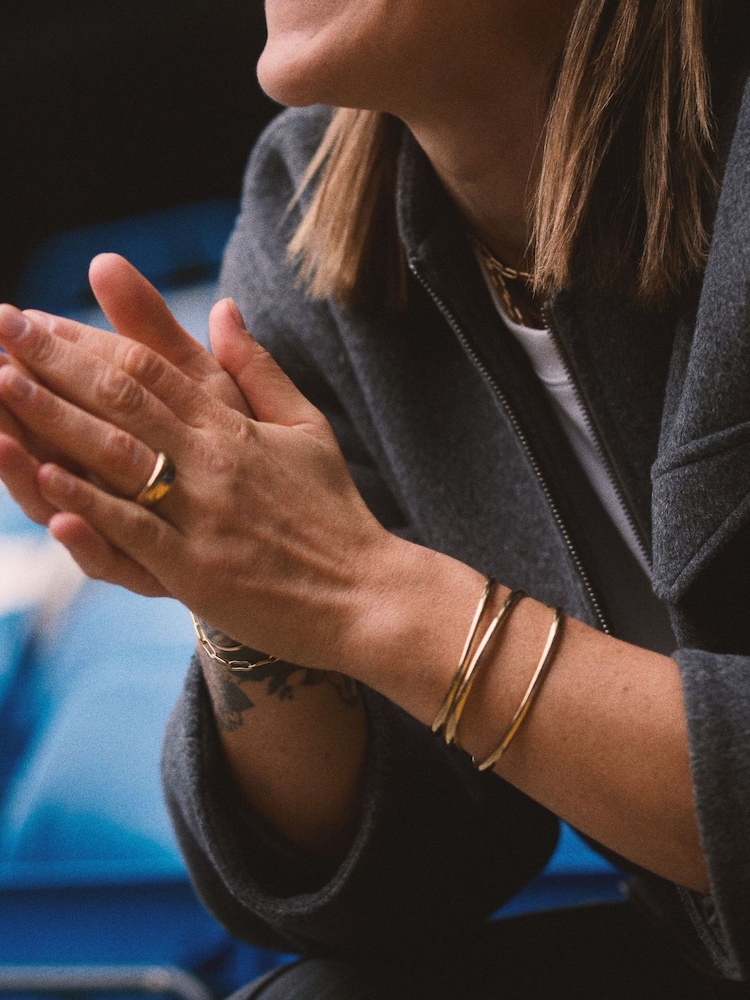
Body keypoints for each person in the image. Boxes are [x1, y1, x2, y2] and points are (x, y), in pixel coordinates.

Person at [0, 0, 750, 994]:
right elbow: (402, 879)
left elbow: (364, 596)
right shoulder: (308, 217)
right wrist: (245, 591)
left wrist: (362, 593)